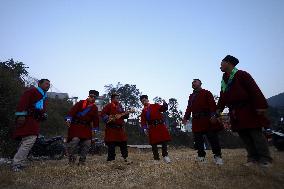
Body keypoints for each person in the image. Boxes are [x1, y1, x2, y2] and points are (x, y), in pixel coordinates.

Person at [217, 55, 272, 167]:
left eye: (222, 62)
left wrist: (261, 106)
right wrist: (218, 111)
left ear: (228, 63)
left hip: (248, 109)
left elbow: (254, 90)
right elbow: (222, 97)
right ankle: (252, 158)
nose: (220, 65)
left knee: (255, 134)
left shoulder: (242, 74)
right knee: (244, 135)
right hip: (235, 111)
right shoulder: (224, 80)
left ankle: (265, 159)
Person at [12, 79, 50, 172]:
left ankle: (20, 163)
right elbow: (23, 102)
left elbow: (40, 109)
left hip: (34, 121)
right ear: (39, 84)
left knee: (26, 141)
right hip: (27, 119)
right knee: (29, 140)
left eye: (49, 84)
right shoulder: (33, 91)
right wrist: (21, 115)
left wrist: (43, 115)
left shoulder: (44, 96)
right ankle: (16, 164)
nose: (48, 85)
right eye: (46, 84)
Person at [182, 79, 224, 165]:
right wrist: (185, 118)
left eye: (195, 82)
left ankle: (218, 156)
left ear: (200, 83)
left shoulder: (206, 93)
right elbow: (189, 108)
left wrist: (214, 116)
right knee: (198, 140)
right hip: (196, 121)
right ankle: (201, 157)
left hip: (207, 119)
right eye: (192, 82)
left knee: (212, 138)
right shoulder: (191, 96)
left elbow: (212, 105)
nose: (193, 83)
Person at [65, 90, 99, 165]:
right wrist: (68, 118)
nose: (92, 98)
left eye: (94, 97)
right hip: (76, 126)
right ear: (89, 96)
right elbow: (72, 111)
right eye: (91, 96)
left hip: (86, 128)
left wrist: (95, 128)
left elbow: (96, 119)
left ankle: (82, 161)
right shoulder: (80, 103)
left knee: (87, 143)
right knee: (75, 140)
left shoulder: (94, 108)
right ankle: (72, 160)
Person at [140, 95, 171, 163]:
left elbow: (163, 109)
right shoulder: (143, 111)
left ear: (148, 100)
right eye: (142, 101)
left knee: (164, 141)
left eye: (145, 100)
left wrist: (165, 104)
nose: (144, 101)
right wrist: (145, 128)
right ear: (141, 102)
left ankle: (165, 156)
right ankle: (156, 158)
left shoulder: (155, 105)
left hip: (160, 126)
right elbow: (143, 122)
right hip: (152, 128)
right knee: (153, 144)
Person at [101, 93, 131, 163]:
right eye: (116, 98)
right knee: (111, 145)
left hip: (120, 130)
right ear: (112, 99)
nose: (118, 99)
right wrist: (109, 118)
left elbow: (124, 116)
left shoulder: (120, 106)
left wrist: (127, 113)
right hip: (111, 129)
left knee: (123, 143)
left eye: (118, 98)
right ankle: (111, 160)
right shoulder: (108, 106)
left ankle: (125, 158)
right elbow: (102, 114)